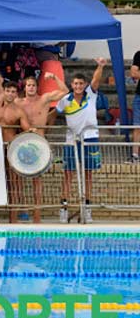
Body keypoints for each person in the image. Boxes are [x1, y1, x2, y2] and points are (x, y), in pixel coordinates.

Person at [0, 61, 35, 223]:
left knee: (13, 181)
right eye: (8, 90)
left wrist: (31, 131)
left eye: (13, 92)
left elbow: (26, 128)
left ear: (16, 94)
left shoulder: (19, 111)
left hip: (10, 147)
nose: (10, 94)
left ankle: (15, 214)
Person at [55, 60, 106, 224]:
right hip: (71, 141)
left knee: (88, 175)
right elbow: (53, 114)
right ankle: (63, 209)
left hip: (90, 139)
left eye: (80, 84)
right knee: (68, 175)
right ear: (71, 84)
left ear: (84, 85)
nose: (78, 86)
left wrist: (101, 66)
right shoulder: (65, 100)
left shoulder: (91, 95)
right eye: (75, 83)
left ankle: (87, 210)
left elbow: (96, 80)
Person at [15, 72, 69, 223]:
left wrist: (54, 78)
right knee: (19, 179)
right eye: (28, 85)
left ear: (37, 87)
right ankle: (22, 209)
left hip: (39, 143)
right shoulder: (19, 103)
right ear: (24, 88)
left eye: (33, 85)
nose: (31, 88)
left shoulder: (44, 99)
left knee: (37, 181)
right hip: (23, 142)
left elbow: (65, 92)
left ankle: (37, 214)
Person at [130, 50, 140, 162]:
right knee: (137, 127)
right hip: (139, 96)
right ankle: (135, 155)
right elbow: (133, 73)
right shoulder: (138, 54)